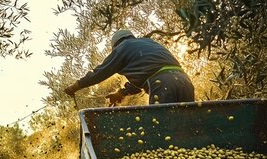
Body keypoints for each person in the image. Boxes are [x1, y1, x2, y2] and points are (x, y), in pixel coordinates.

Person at [64, 29, 195, 105]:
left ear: (116, 45)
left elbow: (100, 73)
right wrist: (121, 93)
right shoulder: (148, 42)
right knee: (189, 125)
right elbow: (150, 74)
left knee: (164, 128)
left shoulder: (123, 47)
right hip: (185, 80)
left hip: (162, 84)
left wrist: (76, 86)